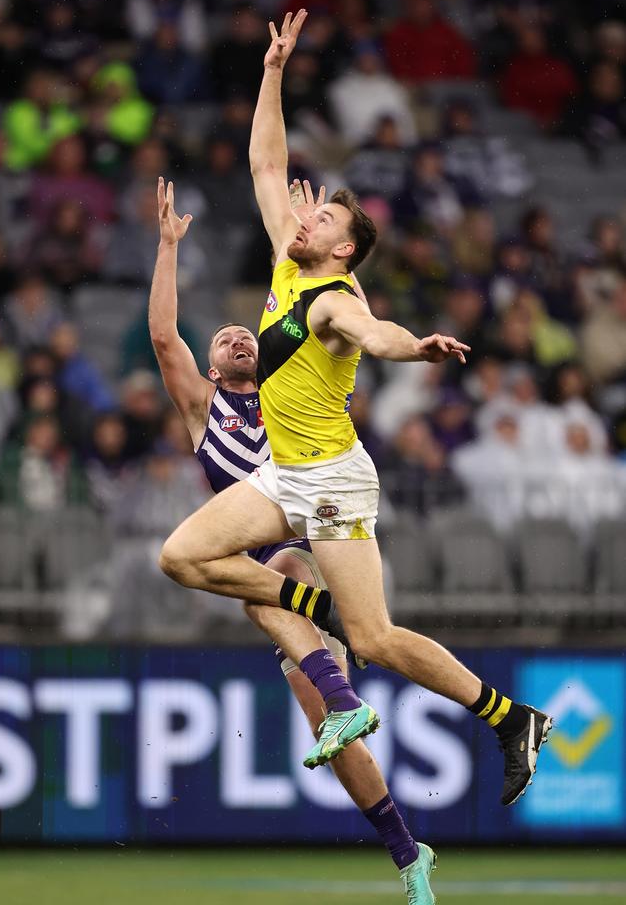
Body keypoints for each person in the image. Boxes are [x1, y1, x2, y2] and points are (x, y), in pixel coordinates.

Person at [157, 11, 552, 873]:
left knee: (372, 642)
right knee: (181, 558)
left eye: (324, 218)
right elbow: (266, 162)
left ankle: (511, 719)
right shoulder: (290, 267)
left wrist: (419, 345)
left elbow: (379, 338)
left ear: (345, 247)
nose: (305, 215)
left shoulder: (335, 299)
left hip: (333, 480)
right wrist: (273, 70)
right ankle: (314, 612)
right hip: (283, 475)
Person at [150, 178, 426, 903]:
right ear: (211, 369)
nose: (238, 336)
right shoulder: (202, 408)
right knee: (337, 732)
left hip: (312, 539)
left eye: (244, 331)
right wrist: (168, 249)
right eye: (224, 340)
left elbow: (334, 304)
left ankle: (336, 653)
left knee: (278, 568)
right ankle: (408, 855)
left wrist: (313, 246)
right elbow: (161, 335)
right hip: (263, 565)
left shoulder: (287, 394)